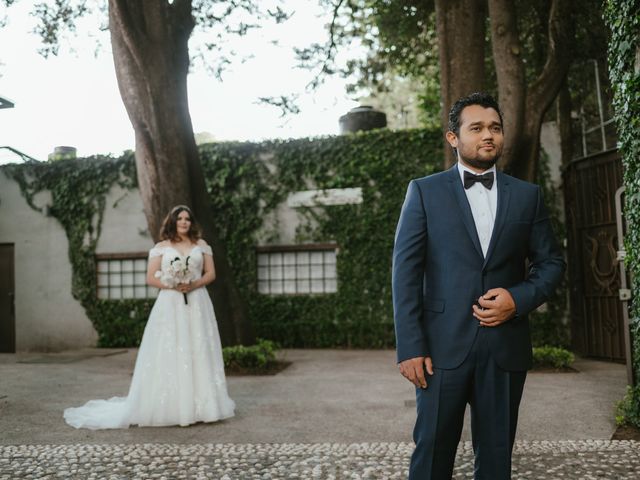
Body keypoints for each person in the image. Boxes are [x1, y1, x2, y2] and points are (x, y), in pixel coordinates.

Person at [392, 92, 565, 479]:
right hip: (440, 349)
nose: (489, 135)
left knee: (497, 456)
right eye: (477, 128)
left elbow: (551, 263)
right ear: (453, 138)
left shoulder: (528, 196)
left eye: (495, 128)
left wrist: (516, 300)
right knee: (432, 451)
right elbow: (404, 272)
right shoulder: (424, 191)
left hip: (505, 348)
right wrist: (410, 347)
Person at [64, 205, 235, 429]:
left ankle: (203, 406)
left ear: (191, 223)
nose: (184, 222)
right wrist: (172, 284)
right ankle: (173, 407)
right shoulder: (161, 248)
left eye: (187, 219)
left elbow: (211, 273)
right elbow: (151, 277)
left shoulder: (201, 245)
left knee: (198, 347)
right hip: (170, 302)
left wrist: (193, 284)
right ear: (172, 222)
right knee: (170, 348)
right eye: (179, 219)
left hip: (197, 302)